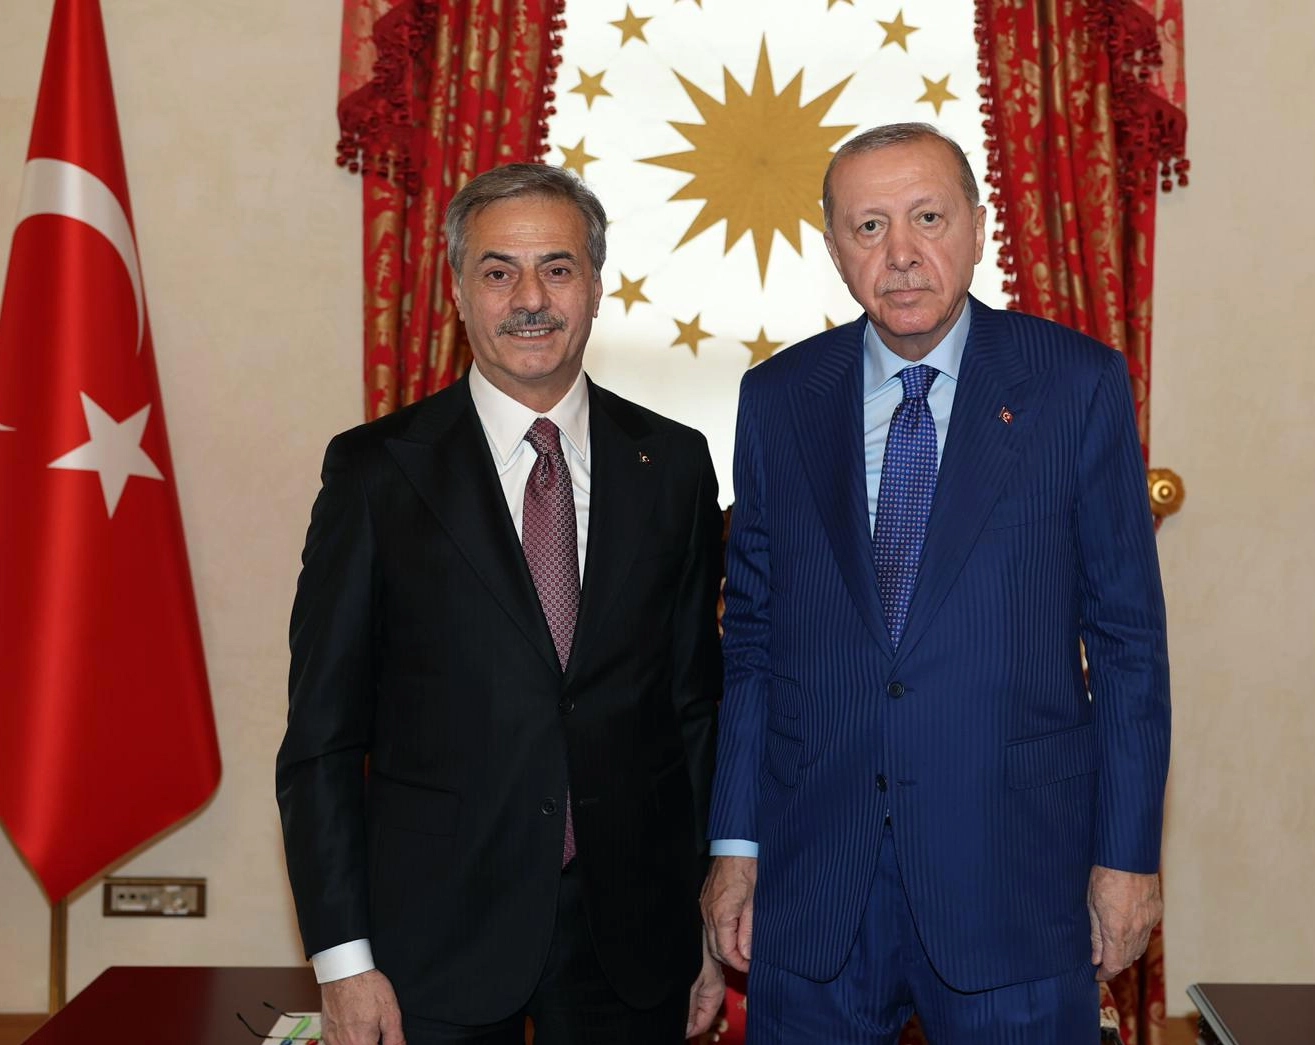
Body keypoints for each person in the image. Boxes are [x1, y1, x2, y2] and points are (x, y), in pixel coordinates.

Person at [701, 123, 1170, 1043]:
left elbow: (1128, 644)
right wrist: (735, 845)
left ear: (979, 227)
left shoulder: (1075, 384)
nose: (902, 254)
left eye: (927, 217)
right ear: (834, 248)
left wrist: (1126, 855)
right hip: (816, 878)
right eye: (869, 227)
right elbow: (752, 641)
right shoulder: (779, 397)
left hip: (1013, 875)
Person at [278, 163, 725, 1045]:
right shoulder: (375, 473)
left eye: (557, 268)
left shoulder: (673, 463)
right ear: (457, 290)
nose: (530, 299)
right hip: (431, 945)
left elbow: (695, 710)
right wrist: (342, 960)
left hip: (634, 942)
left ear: (595, 284)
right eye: (498, 271)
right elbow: (322, 741)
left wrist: (706, 918)